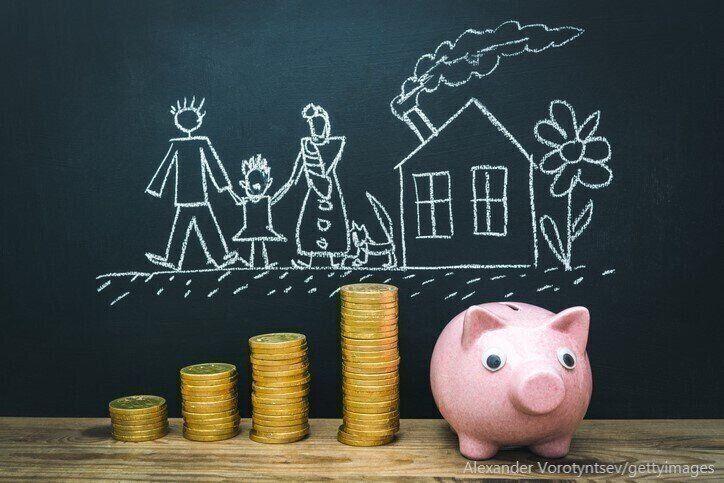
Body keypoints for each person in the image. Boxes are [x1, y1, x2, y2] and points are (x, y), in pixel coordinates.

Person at [145, 97, 241, 270]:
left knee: (193, 224)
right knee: (200, 224)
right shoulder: (184, 144)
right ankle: (217, 258)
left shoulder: (197, 143)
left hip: (191, 195)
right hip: (191, 194)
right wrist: (225, 187)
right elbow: (167, 166)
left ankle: (177, 259)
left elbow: (212, 165)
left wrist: (155, 188)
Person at [274, 103, 350, 268]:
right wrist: (277, 196)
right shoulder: (307, 147)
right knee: (310, 222)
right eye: (313, 126)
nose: (316, 130)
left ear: (326, 126)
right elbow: (294, 177)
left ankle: (336, 259)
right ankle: (307, 259)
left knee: (334, 221)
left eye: (319, 125)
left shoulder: (335, 145)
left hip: (331, 191)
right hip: (314, 191)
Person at [232, 154, 287, 268]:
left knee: (260, 244)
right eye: (253, 185)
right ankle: (256, 264)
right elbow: (237, 200)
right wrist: (229, 191)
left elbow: (277, 197)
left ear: (268, 183)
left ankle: (259, 264)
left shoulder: (265, 200)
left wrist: (288, 185)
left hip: (263, 228)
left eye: (260, 185)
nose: (257, 188)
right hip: (251, 228)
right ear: (245, 185)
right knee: (257, 245)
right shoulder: (248, 201)